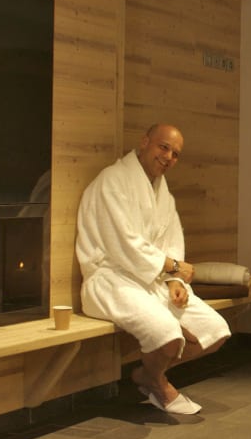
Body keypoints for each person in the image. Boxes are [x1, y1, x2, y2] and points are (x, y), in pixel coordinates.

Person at [76, 123, 230, 414]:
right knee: (167, 334)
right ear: (145, 142)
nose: (169, 157)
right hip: (110, 279)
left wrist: (175, 281)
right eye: (164, 147)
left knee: (215, 331)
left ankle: (149, 374)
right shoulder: (112, 181)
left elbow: (171, 240)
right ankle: (159, 385)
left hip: (152, 279)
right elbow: (124, 244)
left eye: (175, 154)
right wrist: (174, 267)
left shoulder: (162, 192)